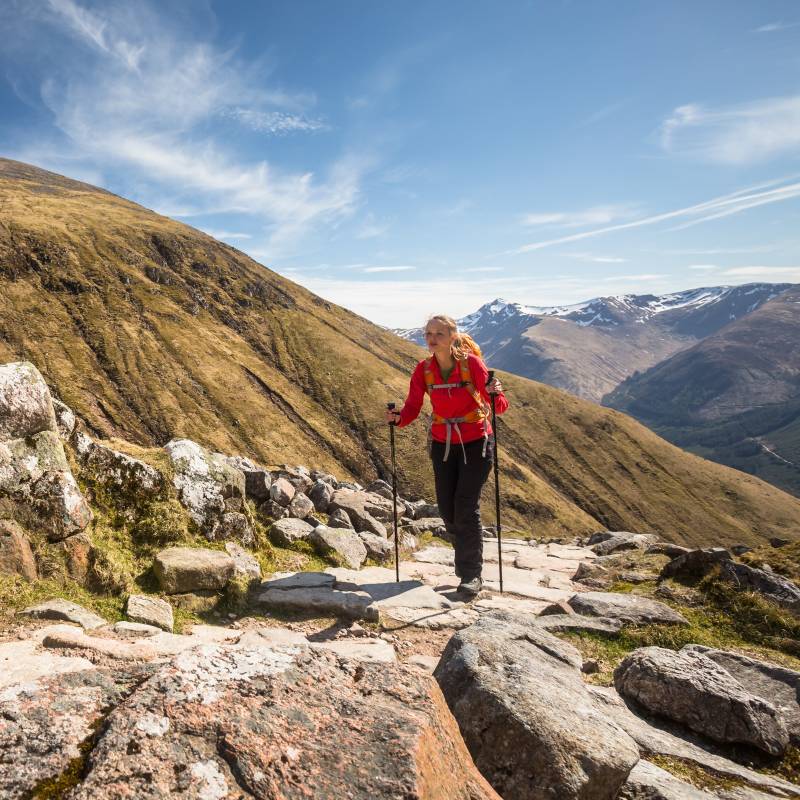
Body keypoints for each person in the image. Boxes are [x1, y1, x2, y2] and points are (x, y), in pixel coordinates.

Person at [385, 314, 508, 597]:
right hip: (442, 443)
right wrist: (397, 419)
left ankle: (471, 574)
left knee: (465, 506)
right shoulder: (423, 370)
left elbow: (498, 406)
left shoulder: (472, 364)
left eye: (439, 334)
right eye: (428, 333)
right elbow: (413, 407)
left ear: (453, 336)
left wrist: (494, 393)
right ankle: (466, 551)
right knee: (446, 509)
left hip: (477, 442)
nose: (432, 338)